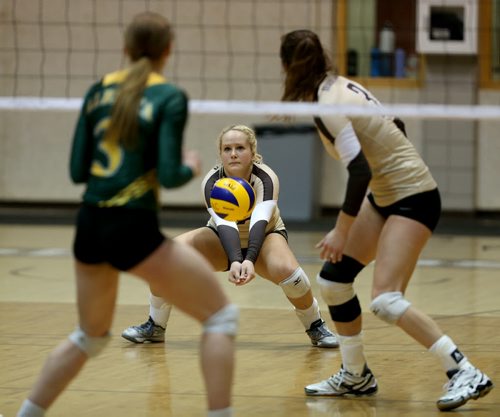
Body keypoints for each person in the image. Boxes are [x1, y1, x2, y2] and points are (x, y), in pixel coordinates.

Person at [17, 12, 237, 417]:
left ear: (126, 48)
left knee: (91, 335)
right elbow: (171, 176)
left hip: (89, 223)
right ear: (167, 50)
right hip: (132, 228)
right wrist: (190, 165)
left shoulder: (97, 90)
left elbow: (76, 172)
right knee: (221, 318)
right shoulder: (169, 96)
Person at [279, 29, 494, 411]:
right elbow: (397, 126)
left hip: (414, 200)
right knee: (333, 281)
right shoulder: (342, 85)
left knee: (386, 300)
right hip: (389, 197)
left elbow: (359, 170)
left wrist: (342, 229)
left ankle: (464, 371)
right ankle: (355, 375)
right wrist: (390, 177)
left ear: (287, 68)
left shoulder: (327, 103)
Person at [121, 124, 338, 348]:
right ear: (221, 154)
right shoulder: (212, 181)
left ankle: (316, 326)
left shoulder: (266, 178)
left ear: (252, 153)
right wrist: (235, 260)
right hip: (220, 238)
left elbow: (259, 221)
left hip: (265, 237)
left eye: (240, 148)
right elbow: (225, 224)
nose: (233, 153)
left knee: (290, 274)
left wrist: (249, 260)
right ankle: (155, 326)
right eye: (227, 149)